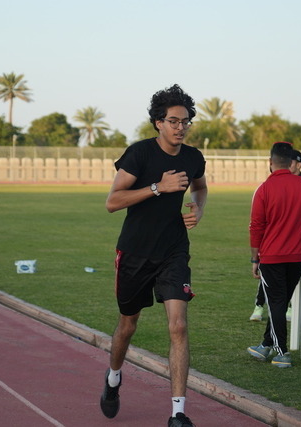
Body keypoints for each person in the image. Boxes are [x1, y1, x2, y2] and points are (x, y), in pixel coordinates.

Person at [99, 84, 208, 427]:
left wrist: (197, 208)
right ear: (158, 122)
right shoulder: (139, 154)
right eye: (173, 121)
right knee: (127, 325)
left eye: (185, 121)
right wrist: (158, 187)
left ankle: (178, 414)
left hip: (173, 251)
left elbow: (200, 187)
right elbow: (112, 202)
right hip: (135, 252)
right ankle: (113, 376)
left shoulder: (193, 157)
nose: (180, 127)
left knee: (178, 325)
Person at [246, 141, 301, 368]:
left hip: (272, 256)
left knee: (276, 303)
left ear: (270, 162)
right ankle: (265, 345)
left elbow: (256, 226)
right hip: (298, 256)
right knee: (281, 301)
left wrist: (254, 258)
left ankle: (282, 352)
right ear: (291, 162)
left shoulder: (264, 189)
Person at [248, 149, 301, 322]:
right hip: (274, 246)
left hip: (295, 244)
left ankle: (286, 312)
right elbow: (258, 222)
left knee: (285, 284)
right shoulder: (269, 186)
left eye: (292, 162)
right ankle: (259, 306)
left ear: (298, 164)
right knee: (270, 279)